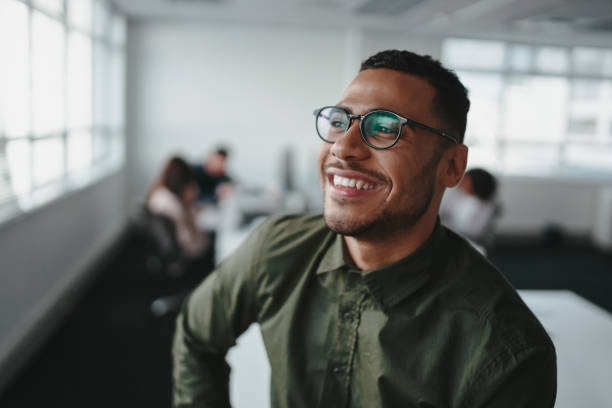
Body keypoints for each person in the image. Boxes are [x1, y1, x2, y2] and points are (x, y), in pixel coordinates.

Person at [172, 50, 556, 407]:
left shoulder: (506, 351)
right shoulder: (277, 247)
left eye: (386, 127)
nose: (342, 146)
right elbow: (196, 335)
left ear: (453, 166)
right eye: (340, 121)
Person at [147, 156, 208, 260]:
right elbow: (189, 243)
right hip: (185, 254)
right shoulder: (173, 204)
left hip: (163, 247)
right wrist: (189, 205)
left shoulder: (159, 193)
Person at [440, 168, 500, 250]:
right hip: (449, 237)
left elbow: (474, 231)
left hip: (469, 244)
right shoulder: (457, 196)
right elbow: (444, 212)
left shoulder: (486, 206)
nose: (461, 182)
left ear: (477, 182)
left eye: (465, 180)